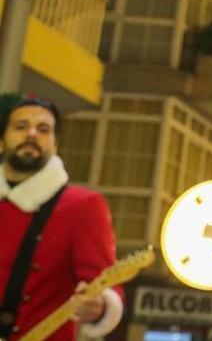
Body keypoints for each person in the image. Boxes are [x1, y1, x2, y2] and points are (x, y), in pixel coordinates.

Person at [0, 94, 124, 341]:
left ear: (55, 145)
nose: (32, 134)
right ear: (1, 141)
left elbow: (104, 281)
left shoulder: (83, 206)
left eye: (44, 129)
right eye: (21, 126)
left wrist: (99, 305)